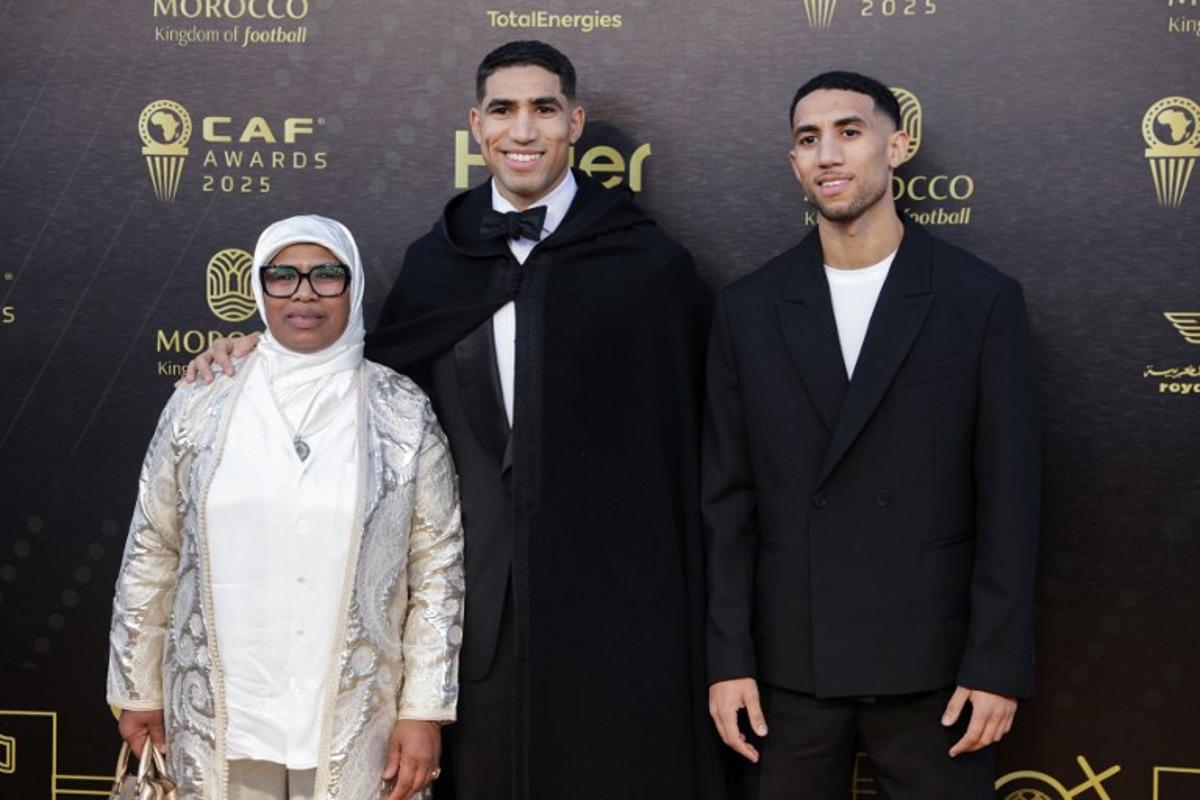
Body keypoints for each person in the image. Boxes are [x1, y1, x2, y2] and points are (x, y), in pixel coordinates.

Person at [182, 42, 723, 800]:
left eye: (542, 108)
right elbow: (362, 386)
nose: (523, 129)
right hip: (470, 610)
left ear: (575, 121)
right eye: (503, 110)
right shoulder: (438, 261)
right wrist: (261, 350)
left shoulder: (648, 265)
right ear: (476, 125)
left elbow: (695, 437)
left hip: (611, 603)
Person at [704, 71, 1041, 799]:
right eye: (808, 139)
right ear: (793, 162)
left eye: (849, 132)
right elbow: (727, 503)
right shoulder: (748, 309)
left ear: (899, 144)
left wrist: (995, 665)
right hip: (788, 675)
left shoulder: (980, 301)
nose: (828, 154)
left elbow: (1010, 501)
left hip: (938, 673)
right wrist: (727, 659)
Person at [108, 215, 465, 800]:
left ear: (353, 290)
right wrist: (137, 689)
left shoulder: (401, 410)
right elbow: (153, 548)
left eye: (327, 275)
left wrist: (423, 708)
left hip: (357, 722)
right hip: (219, 717)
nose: (304, 292)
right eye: (284, 276)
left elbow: (437, 569)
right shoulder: (202, 401)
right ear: (258, 287)